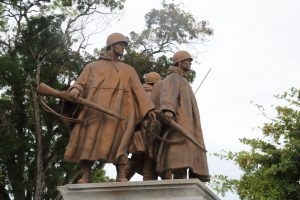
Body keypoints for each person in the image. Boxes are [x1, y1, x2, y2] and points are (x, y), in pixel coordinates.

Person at [63, 32, 155, 183]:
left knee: (121, 143)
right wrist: (75, 90)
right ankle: (86, 175)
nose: (123, 48)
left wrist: (149, 109)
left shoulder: (128, 70)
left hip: (120, 112)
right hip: (94, 110)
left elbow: (139, 91)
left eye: (124, 45)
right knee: (89, 141)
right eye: (120, 44)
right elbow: (80, 83)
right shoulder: (92, 67)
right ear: (111, 45)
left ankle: (121, 175)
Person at [151, 50, 210, 181]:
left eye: (190, 61)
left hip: (189, 123)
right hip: (180, 123)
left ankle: (186, 179)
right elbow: (168, 95)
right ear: (179, 62)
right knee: (180, 155)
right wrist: (168, 111)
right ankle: (180, 179)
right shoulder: (173, 78)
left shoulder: (183, 80)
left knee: (189, 153)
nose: (189, 63)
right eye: (187, 60)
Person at [125, 72, 162, 181]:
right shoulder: (155, 95)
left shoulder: (136, 95)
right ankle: (148, 182)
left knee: (136, 159)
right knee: (149, 160)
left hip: (134, 135)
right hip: (150, 135)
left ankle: (123, 177)